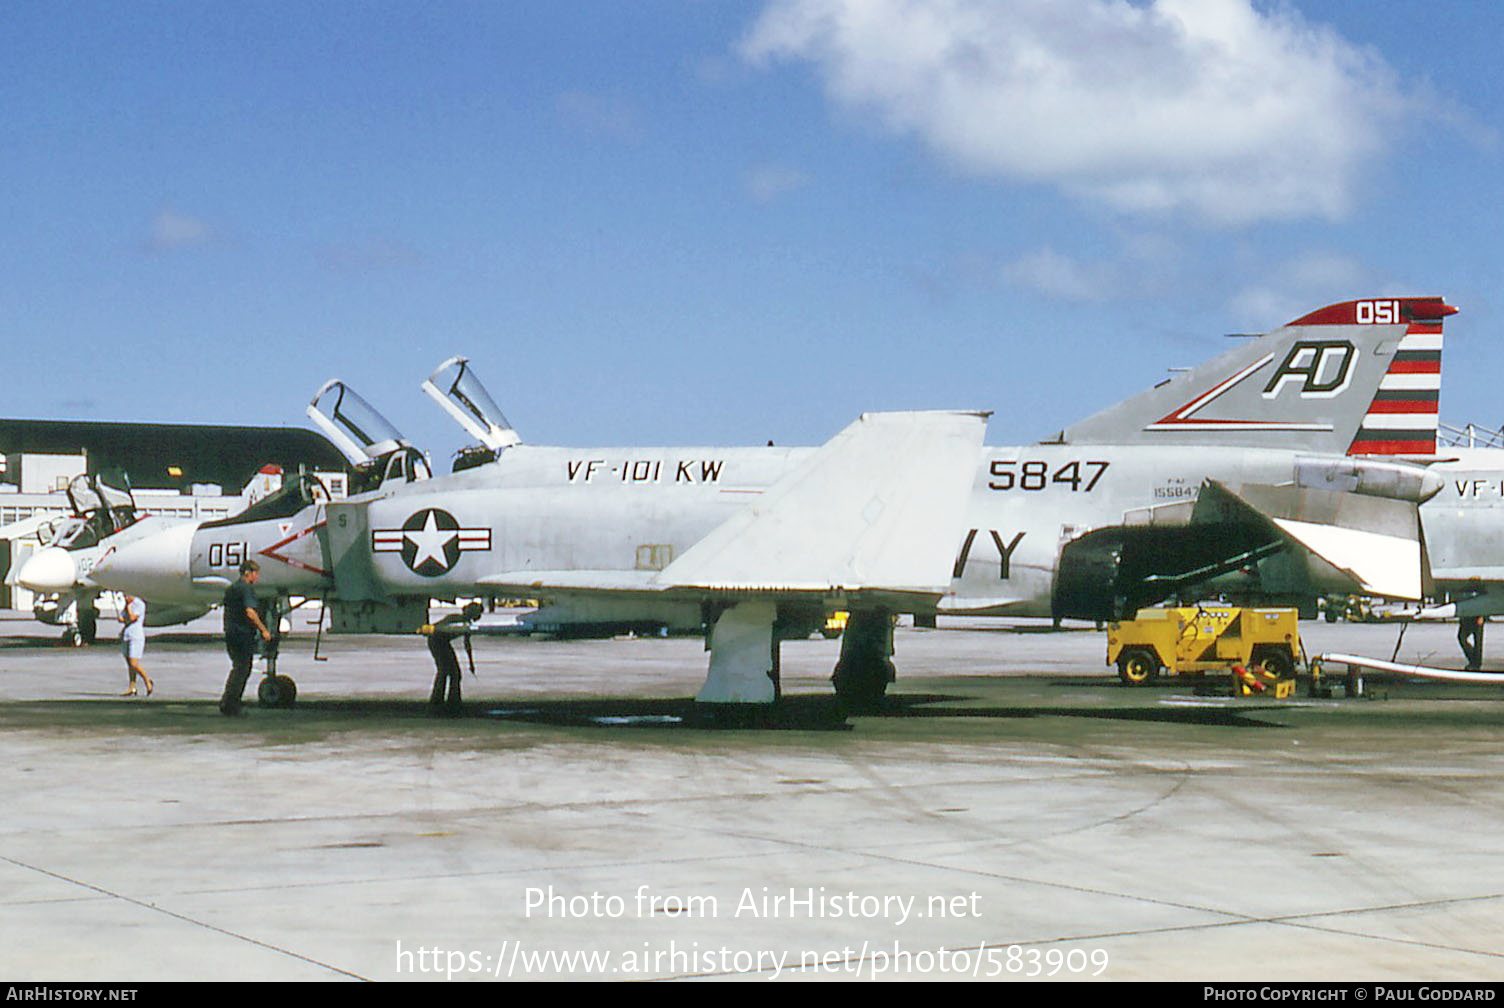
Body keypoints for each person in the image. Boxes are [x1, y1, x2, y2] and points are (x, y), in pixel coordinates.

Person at [219, 560, 272, 716]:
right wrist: (263, 630)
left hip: (231, 633)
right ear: (248, 573)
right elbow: (250, 612)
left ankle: (228, 702)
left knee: (238, 668)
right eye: (255, 573)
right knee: (242, 669)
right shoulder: (246, 589)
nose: (257, 576)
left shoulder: (232, 588)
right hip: (242, 634)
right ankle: (231, 705)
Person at [119, 593, 152, 696]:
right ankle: (132, 687)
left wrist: (128, 606)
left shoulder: (139, 604)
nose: (125, 598)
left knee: (134, 664)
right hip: (126, 635)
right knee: (130, 665)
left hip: (136, 636)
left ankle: (147, 681)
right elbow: (122, 618)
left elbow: (132, 617)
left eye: (127, 595)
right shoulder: (126, 605)